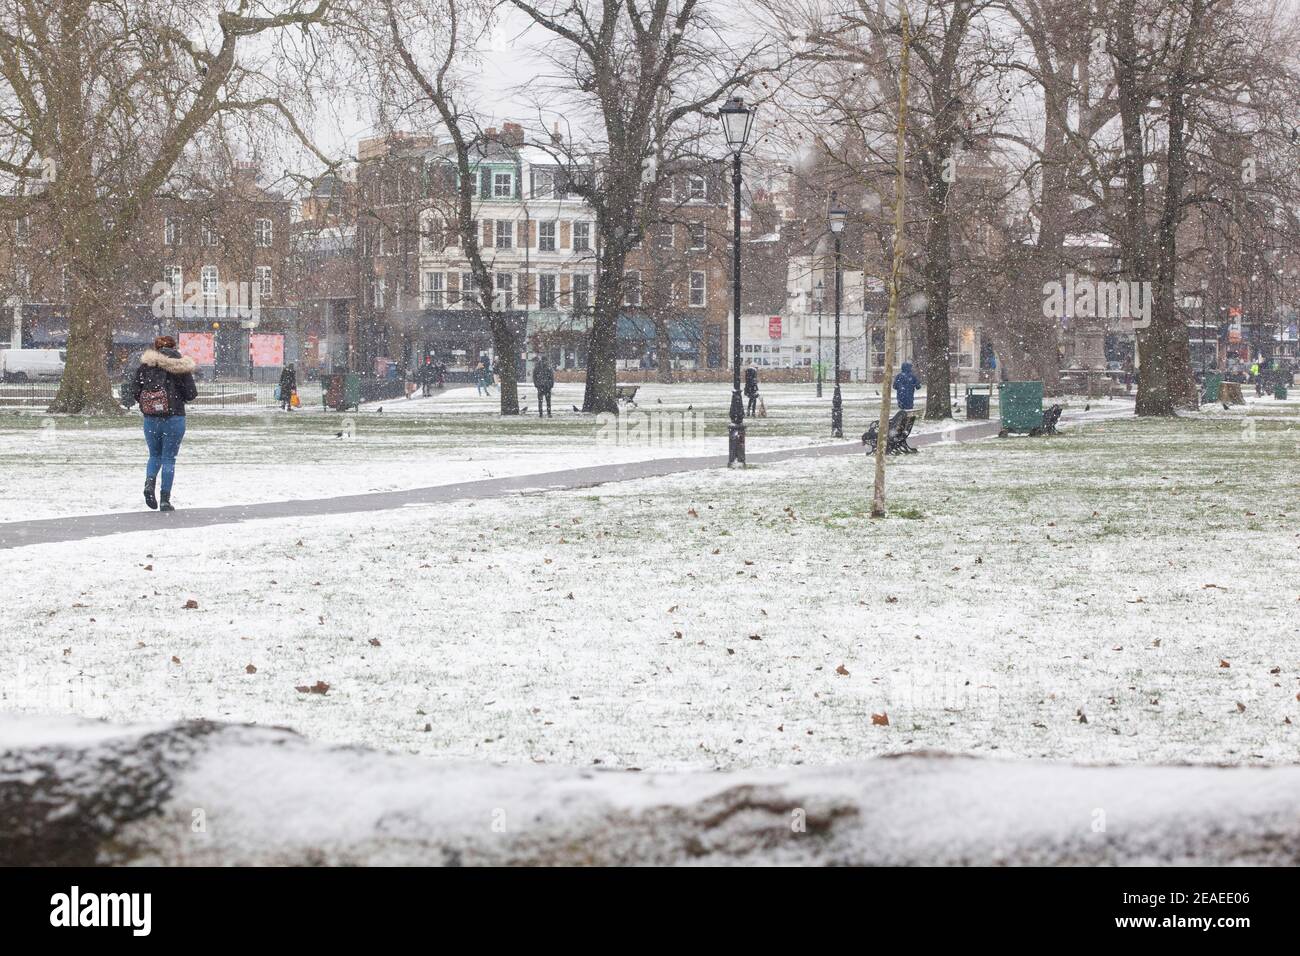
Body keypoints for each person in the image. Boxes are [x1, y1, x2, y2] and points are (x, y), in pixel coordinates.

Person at [121, 335, 198, 512]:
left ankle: (149, 483)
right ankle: (165, 499)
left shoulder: (145, 366)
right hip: (174, 417)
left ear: (155, 348)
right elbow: (191, 394)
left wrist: (145, 403)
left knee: (154, 455)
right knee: (169, 458)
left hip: (150, 418)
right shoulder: (180, 367)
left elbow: (135, 389)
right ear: (175, 347)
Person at [532, 354, 555, 418]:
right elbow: (552, 377)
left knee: (541, 401)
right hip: (546, 386)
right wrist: (551, 385)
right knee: (547, 401)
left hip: (541, 386)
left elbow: (534, 377)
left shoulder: (537, 367)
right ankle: (548, 413)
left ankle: (541, 413)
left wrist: (536, 384)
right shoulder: (548, 367)